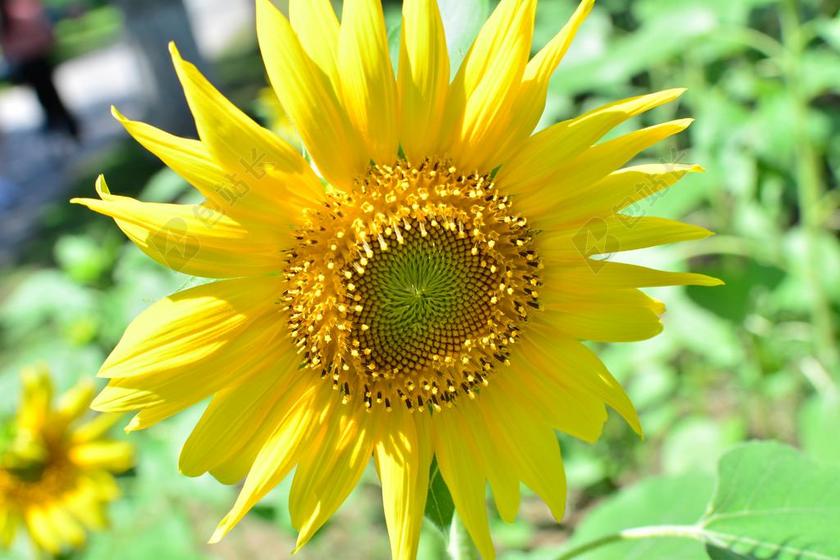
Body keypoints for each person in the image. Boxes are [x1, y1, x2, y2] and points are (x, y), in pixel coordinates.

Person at [0, 0, 80, 140]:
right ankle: (65, 126)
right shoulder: (17, 10)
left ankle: (61, 126)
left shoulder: (15, 11)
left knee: (46, 96)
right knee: (49, 95)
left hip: (31, 60)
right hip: (34, 60)